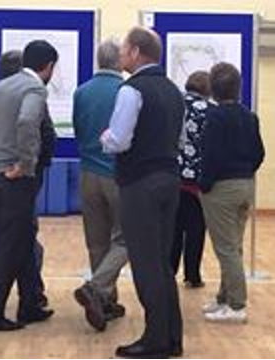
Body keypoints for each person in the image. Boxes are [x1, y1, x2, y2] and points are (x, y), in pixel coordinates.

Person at [100, 27, 185, 358]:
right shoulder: (173, 90)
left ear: (136, 52)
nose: (121, 54)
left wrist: (104, 137)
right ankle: (172, 336)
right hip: (169, 180)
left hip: (139, 183)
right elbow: (178, 141)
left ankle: (155, 339)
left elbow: (119, 140)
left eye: (124, 49)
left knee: (146, 263)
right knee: (162, 263)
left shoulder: (131, 90)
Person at [0, 40, 58, 332]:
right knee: (11, 245)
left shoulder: (0, 87)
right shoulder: (35, 88)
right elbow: (29, 120)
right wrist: (26, 164)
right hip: (13, 178)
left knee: (22, 238)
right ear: (49, 67)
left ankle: (30, 303)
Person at [200, 62, 265, 324]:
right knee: (233, 247)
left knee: (226, 249)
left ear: (213, 90)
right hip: (246, 185)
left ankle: (237, 305)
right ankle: (224, 298)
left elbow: (210, 156)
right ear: (238, 88)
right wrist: (246, 171)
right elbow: (260, 154)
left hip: (221, 189)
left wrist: (205, 185)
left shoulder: (214, 117)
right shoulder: (250, 116)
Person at [72, 39, 129, 332]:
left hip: (87, 172)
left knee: (96, 242)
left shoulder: (81, 91)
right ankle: (97, 289)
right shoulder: (126, 91)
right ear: (119, 61)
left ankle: (105, 301)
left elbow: (79, 130)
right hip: (118, 174)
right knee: (125, 238)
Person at [172, 71, 212, 289]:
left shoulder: (174, 105)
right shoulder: (210, 111)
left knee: (174, 227)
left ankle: (170, 271)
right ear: (208, 89)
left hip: (172, 177)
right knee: (196, 228)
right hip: (197, 181)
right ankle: (192, 275)